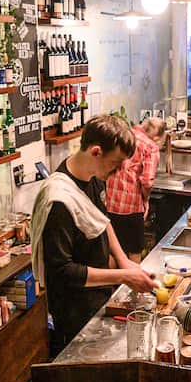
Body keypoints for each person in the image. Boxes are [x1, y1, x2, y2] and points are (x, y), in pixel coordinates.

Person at [32, 115, 158, 355]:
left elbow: (103, 221)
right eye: (117, 162)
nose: (121, 170)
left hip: (97, 296)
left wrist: (125, 262)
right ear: (96, 151)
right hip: (74, 311)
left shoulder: (94, 178)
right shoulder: (59, 201)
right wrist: (122, 276)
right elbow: (61, 273)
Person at [105, 117, 166, 260]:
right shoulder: (150, 146)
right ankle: (132, 282)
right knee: (134, 251)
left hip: (109, 203)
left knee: (113, 250)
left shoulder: (122, 135)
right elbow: (147, 181)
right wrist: (146, 200)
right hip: (130, 206)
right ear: (157, 136)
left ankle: (114, 281)